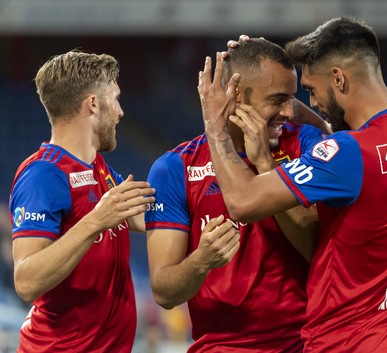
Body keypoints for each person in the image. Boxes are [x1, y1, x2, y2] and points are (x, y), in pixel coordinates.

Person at [198, 17, 387, 353]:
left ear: (338, 78)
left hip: (352, 341)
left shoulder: (349, 154)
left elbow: (242, 201)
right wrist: (262, 73)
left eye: (310, 91)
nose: (309, 104)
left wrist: (215, 125)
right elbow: (345, 145)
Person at [145, 38, 326, 352]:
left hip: (308, 342)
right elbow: (164, 291)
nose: (288, 111)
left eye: (293, 98)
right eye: (278, 99)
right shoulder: (175, 169)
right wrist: (200, 261)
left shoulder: (304, 143)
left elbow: (316, 249)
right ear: (235, 95)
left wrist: (265, 166)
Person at [9, 50, 155, 352]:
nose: (120, 111)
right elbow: (26, 281)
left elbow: (147, 216)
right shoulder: (43, 174)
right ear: (92, 104)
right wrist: (97, 220)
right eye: (114, 98)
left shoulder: (99, 169)